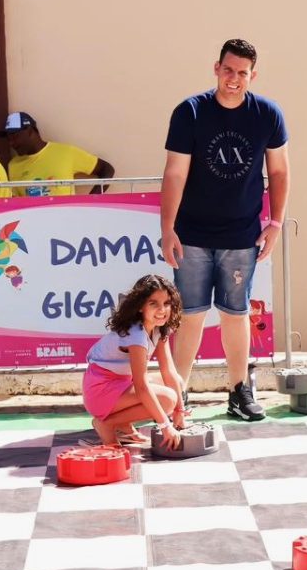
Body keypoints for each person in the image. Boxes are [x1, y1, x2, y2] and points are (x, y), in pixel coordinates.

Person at [160, 38, 290, 421]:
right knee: (191, 316)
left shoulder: (267, 114)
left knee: (236, 313)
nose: (234, 79)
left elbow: (279, 171)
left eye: (242, 73)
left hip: (241, 235)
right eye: (228, 70)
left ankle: (239, 391)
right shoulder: (190, 112)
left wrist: (276, 223)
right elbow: (175, 172)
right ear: (216, 68)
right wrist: (168, 228)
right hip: (192, 235)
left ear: (253, 75)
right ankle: (177, 394)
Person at [82, 274, 185, 449]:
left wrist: (180, 411)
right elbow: (141, 386)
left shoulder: (159, 329)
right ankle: (107, 424)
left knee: (175, 385)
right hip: (100, 391)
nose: (162, 310)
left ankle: (124, 425)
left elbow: (169, 372)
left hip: (120, 383)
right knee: (167, 399)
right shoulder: (136, 335)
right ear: (140, 307)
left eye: (166, 303)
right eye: (154, 303)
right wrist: (165, 425)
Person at [0, 112, 115, 196]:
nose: (11, 143)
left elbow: (107, 169)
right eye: (8, 139)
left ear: (30, 131)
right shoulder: (13, 165)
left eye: (15, 136)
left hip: (66, 224)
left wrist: (89, 202)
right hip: (33, 227)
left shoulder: (66, 153)